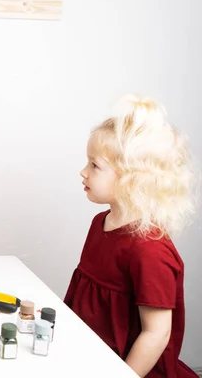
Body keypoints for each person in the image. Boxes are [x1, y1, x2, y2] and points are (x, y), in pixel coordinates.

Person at [64, 95, 199, 377]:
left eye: (94, 165)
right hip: (89, 357)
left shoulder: (149, 250)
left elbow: (156, 334)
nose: (83, 172)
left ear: (132, 178)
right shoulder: (100, 223)